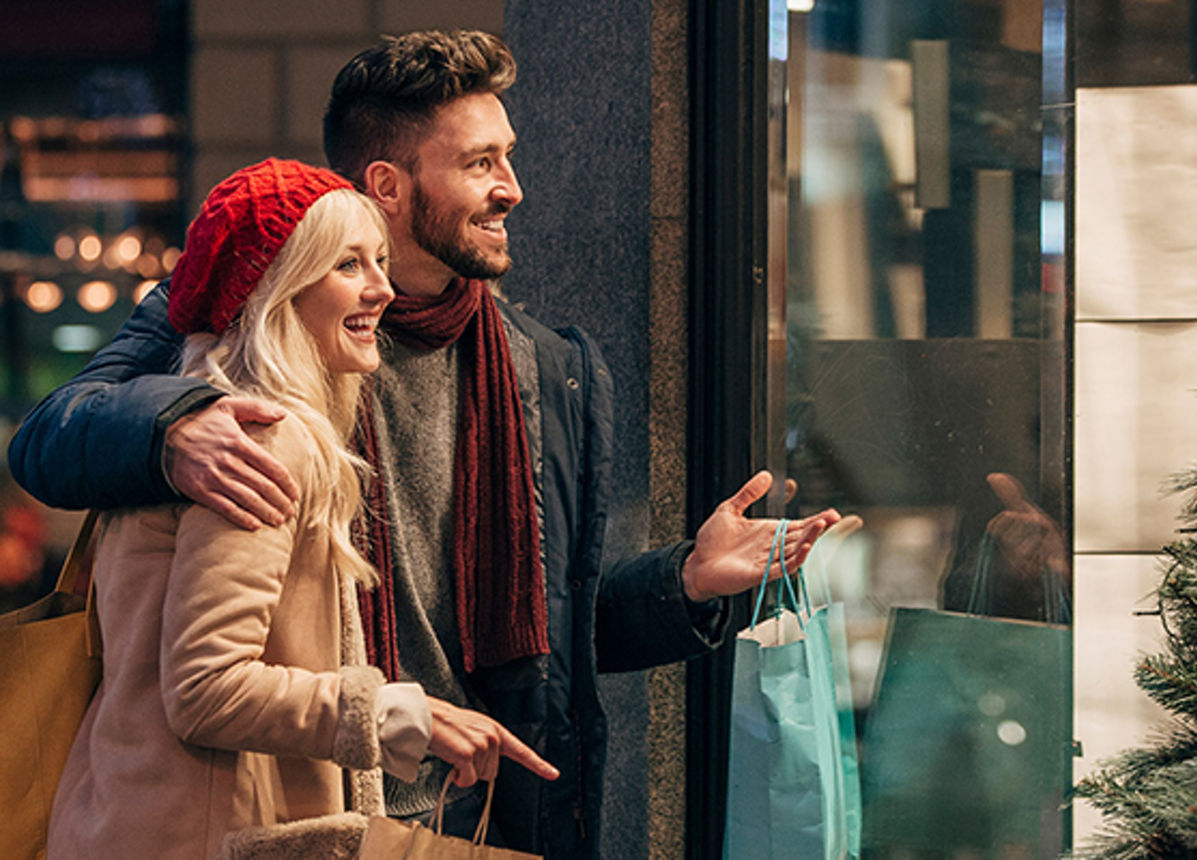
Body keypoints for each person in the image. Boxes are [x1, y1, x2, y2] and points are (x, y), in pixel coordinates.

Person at [9, 31, 839, 857]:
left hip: (469, 816)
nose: (511, 188)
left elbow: (552, 640)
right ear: (388, 184)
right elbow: (50, 436)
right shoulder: (242, 325)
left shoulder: (547, 369)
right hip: (298, 810)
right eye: (480, 163)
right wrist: (176, 425)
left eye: (507, 157)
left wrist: (686, 581)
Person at [44, 158, 556, 860]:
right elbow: (206, 688)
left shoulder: (194, 418)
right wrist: (401, 712)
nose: (381, 287)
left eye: (378, 260)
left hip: (132, 817)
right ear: (277, 289)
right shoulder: (262, 436)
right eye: (349, 265)